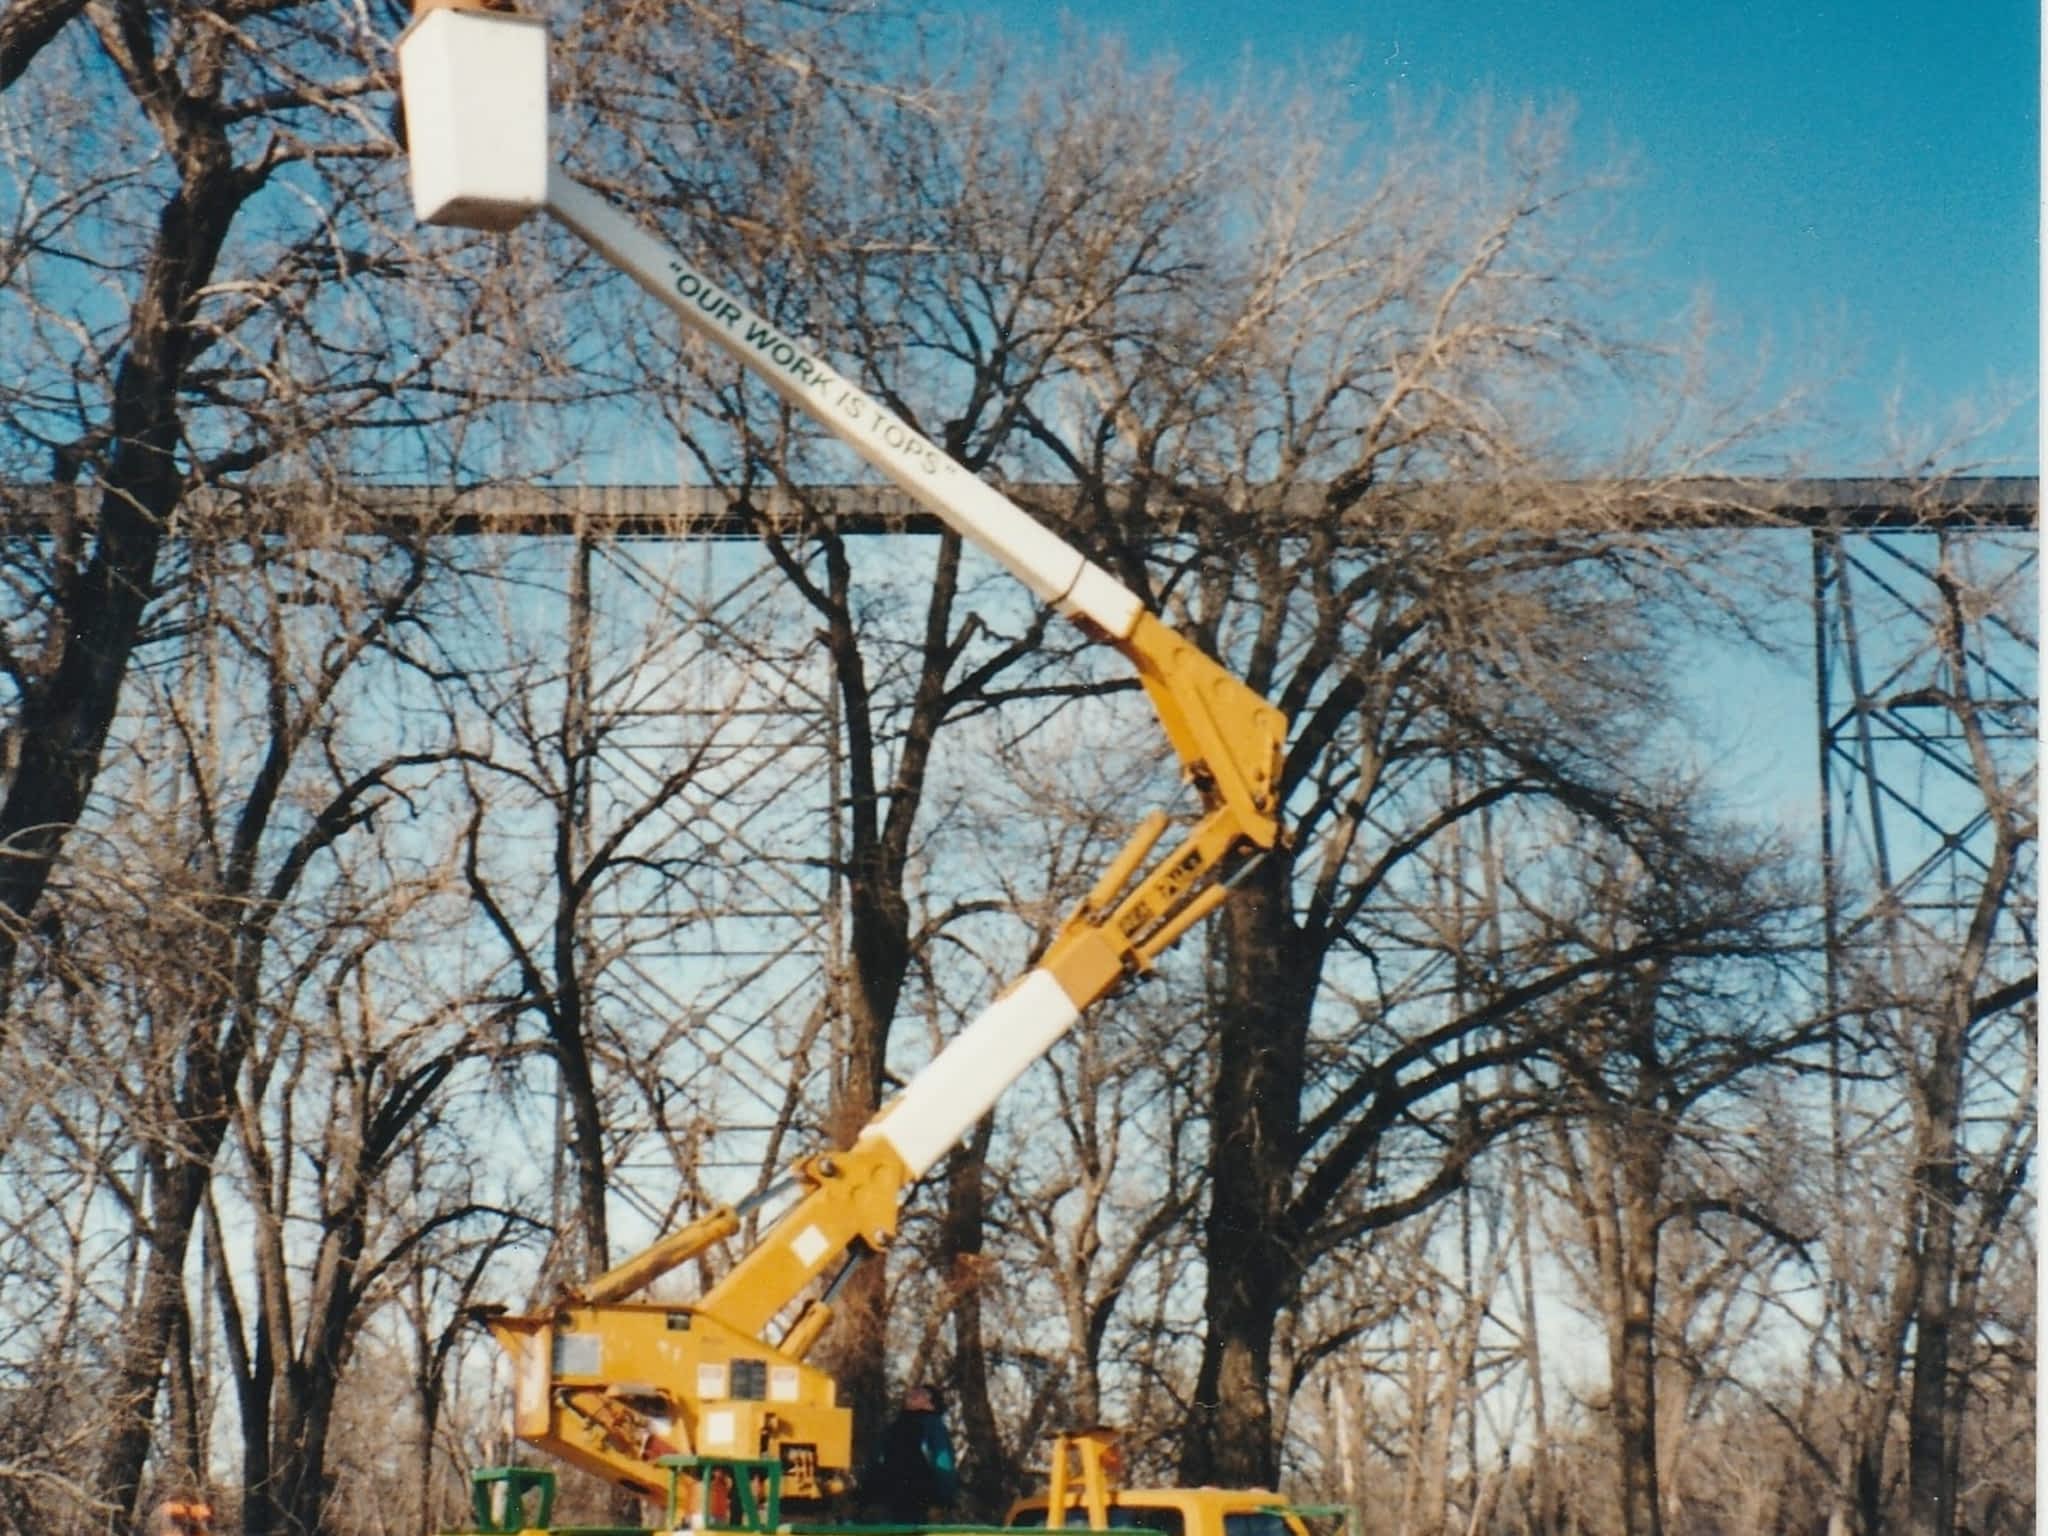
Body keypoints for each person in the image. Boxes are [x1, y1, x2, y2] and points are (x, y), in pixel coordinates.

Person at [864, 1382, 959, 1523]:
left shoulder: (932, 1426)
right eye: (915, 1390)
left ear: (931, 1404)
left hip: (920, 1502)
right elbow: (876, 1460)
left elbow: (943, 1462)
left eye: (923, 1393)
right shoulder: (893, 1427)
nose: (914, 1393)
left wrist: (942, 1500)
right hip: (890, 1502)